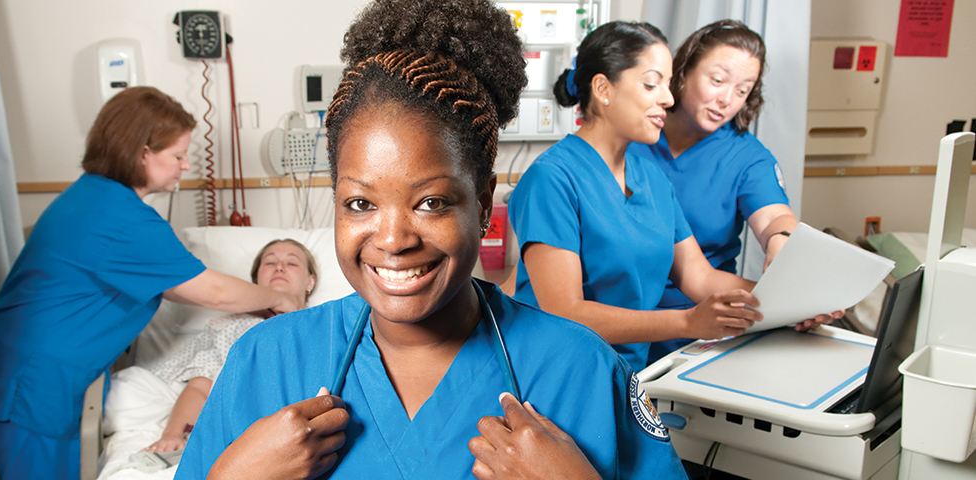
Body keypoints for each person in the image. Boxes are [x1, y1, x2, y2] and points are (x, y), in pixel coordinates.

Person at [175, 0, 687, 478]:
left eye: (431, 202)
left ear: (484, 204)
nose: (393, 239)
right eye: (360, 204)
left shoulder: (581, 368)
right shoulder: (267, 361)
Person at [0, 87, 304, 480]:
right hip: (33, 376)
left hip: (38, 369)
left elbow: (174, 285)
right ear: (143, 152)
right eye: (177, 156)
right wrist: (278, 299)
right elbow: (211, 291)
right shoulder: (119, 218)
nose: (183, 168)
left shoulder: (95, 198)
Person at [508, 21, 769, 372]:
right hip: (557, 374)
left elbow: (699, 278)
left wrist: (790, 301)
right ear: (603, 88)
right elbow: (565, 311)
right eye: (651, 83)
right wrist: (688, 323)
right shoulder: (552, 178)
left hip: (627, 374)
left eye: (666, 83)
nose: (668, 98)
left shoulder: (651, 179)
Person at [624, 20, 838, 362]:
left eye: (742, 90)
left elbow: (774, 216)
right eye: (718, 80)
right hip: (618, 316)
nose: (726, 100)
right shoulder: (631, 134)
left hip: (703, 320)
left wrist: (783, 246)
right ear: (683, 70)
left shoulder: (747, 157)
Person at [144, 239, 317, 454]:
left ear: (310, 282)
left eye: (292, 263)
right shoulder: (229, 327)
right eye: (270, 263)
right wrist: (172, 435)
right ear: (256, 279)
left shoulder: (323, 326)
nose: (280, 267)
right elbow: (200, 386)